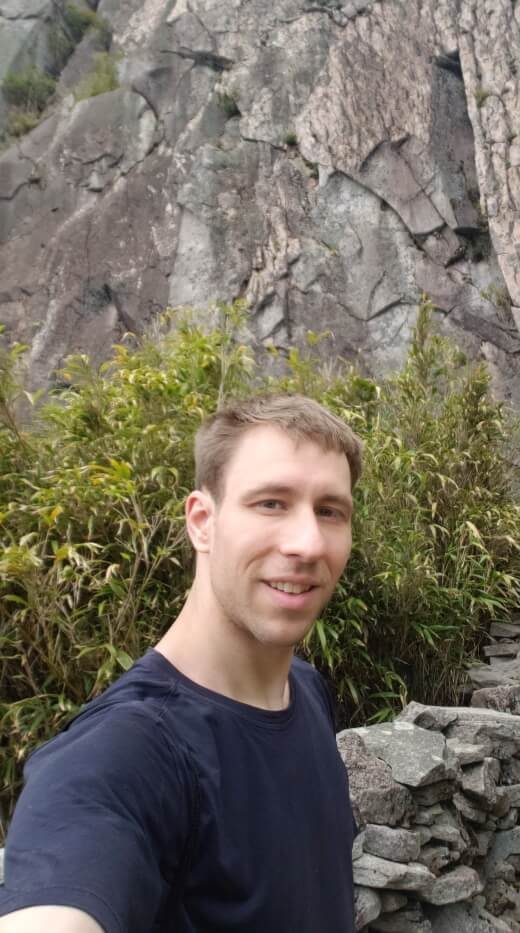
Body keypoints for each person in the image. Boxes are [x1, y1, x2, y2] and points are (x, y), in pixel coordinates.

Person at [0, 394, 362, 933]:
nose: (307, 542)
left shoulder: (305, 691)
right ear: (202, 522)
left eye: (329, 510)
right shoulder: (126, 751)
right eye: (271, 503)